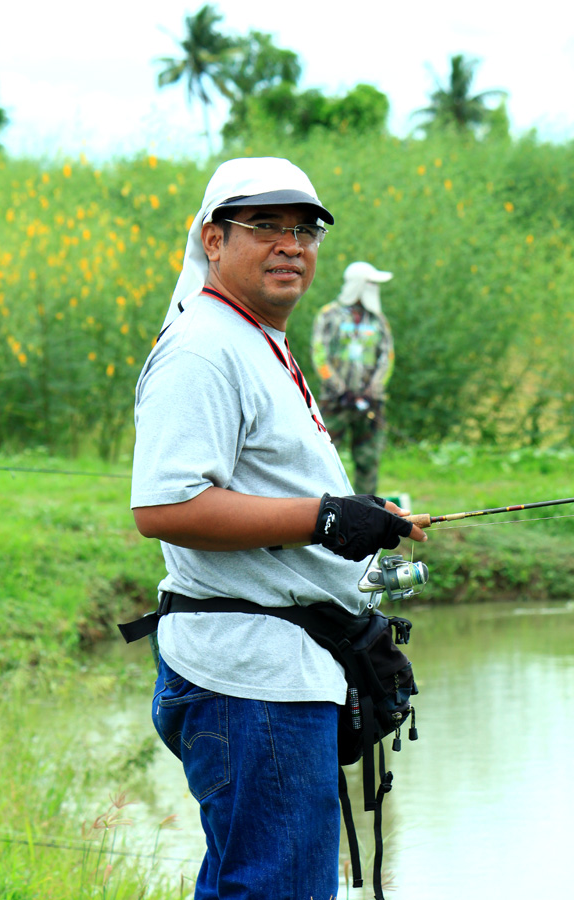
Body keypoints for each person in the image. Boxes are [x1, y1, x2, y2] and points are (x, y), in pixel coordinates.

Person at [130, 157, 426, 900]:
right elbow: (165, 507)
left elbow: (274, 491)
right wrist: (325, 517)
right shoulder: (204, 348)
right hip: (249, 684)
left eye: (305, 229)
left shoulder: (257, 339)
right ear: (213, 239)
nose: (291, 244)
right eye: (264, 226)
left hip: (283, 675)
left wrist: (359, 515)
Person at [311, 262, 395, 494]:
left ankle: (367, 512)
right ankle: (326, 509)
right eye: (371, 283)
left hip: (370, 404)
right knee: (326, 458)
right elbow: (319, 355)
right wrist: (340, 389)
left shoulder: (378, 320)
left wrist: (372, 391)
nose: (374, 288)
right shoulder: (329, 315)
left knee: (368, 460)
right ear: (358, 285)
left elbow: (387, 358)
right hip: (335, 401)